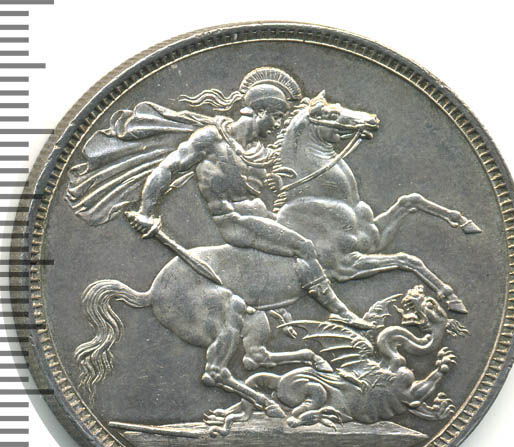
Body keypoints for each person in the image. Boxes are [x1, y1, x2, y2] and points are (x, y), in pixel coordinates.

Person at [126, 67, 370, 329]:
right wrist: (146, 211)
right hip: (235, 220)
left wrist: (347, 131)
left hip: (261, 216)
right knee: (305, 247)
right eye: (276, 117)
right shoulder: (212, 138)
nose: (278, 125)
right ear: (260, 112)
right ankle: (340, 312)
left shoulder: (258, 150)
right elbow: (167, 169)